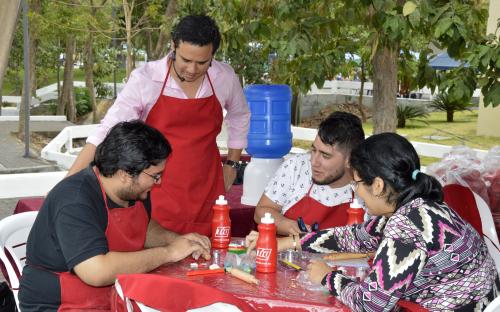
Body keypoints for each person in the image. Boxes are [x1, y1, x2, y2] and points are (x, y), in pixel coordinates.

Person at [246, 132, 499, 311]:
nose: (355, 192)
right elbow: (353, 237)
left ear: (377, 185)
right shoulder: (422, 205)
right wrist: (289, 243)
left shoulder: (406, 226)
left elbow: (372, 304)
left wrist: (327, 277)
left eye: (356, 184)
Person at [67, 14, 250, 236]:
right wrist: (69, 182)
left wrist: (232, 163)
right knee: (159, 249)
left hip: (206, 185)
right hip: (155, 186)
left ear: (213, 55)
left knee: (205, 257)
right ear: (173, 47)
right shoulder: (145, 79)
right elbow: (108, 129)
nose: (192, 69)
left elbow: (240, 115)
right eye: (185, 60)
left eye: (202, 62)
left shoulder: (224, 77)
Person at [19, 121, 212, 311]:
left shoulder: (135, 190)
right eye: (155, 176)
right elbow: (96, 271)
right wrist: (169, 253)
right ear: (125, 174)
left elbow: (142, 227)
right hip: (58, 304)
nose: (158, 182)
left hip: (112, 296)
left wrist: (178, 241)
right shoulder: (75, 199)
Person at [254, 111, 365, 235]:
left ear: (350, 160)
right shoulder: (297, 166)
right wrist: (285, 224)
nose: (314, 161)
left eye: (325, 156)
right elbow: (261, 211)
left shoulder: (366, 189)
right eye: (313, 150)